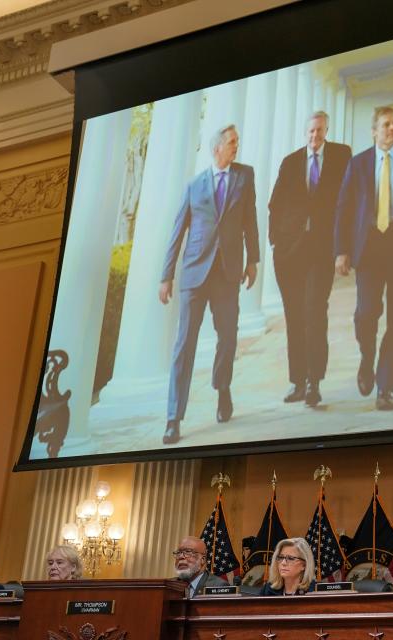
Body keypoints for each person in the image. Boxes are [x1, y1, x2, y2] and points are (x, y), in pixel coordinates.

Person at [159, 124, 260, 444]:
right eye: (231, 143)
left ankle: (223, 388)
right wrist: (166, 275)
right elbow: (178, 231)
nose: (236, 147)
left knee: (228, 337)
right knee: (184, 345)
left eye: (237, 142)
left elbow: (250, 220)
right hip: (193, 274)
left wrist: (253, 259)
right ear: (216, 148)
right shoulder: (194, 186)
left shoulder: (245, 176)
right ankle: (174, 417)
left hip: (228, 272)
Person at [334, 106, 393, 410]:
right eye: (386, 125)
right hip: (369, 247)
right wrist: (341, 250)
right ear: (374, 131)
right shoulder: (359, 163)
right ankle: (367, 358)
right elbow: (344, 208)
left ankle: (385, 387)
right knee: (367, 312)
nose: (392, 129)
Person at [268, 111, 352, 408]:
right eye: (310, 132)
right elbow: (274, 204)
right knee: (294, 317)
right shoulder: (291, 162)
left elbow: (349, 200)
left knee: (315, 312)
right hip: (289, 253)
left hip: (321, 251)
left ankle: (315, 382)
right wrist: (275, 239)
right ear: (305, 133)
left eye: (319, 131)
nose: (314, 136)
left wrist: (345, 246)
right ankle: (298, 382)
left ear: (326, 129)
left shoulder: (342, 156)